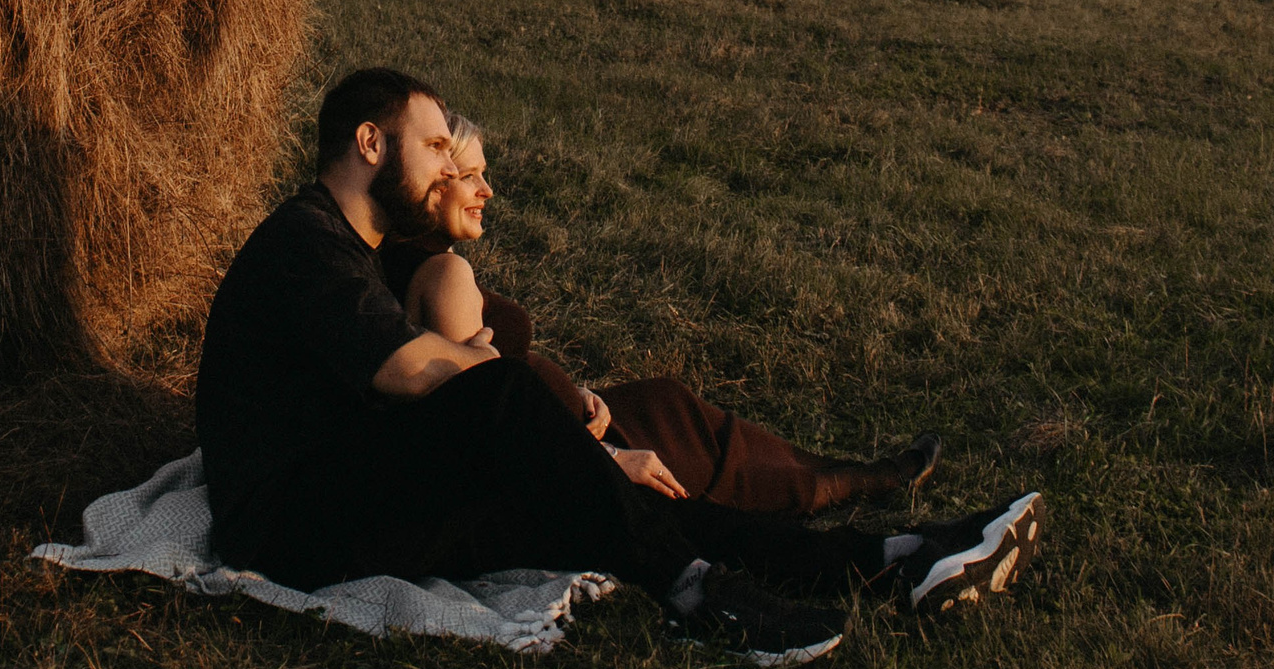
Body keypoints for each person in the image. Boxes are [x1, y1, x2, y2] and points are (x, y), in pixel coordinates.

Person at [195, 66, 1047, 667]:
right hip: (292, 523)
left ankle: (895, 557)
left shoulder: (364, 247)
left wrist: (578, 453)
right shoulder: (304, 241)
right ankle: (692, 595)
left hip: (361, 498)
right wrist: (559, 426)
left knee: (613, 502)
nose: (448, 167)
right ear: (370, 142)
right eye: (433, 147)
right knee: (509, 399)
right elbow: (409, 371)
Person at [381, 113, 941, 515]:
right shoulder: (445, 275)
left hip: (572, 431)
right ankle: (854, 482)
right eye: (470, 176)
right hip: (575, 461)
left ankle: (843, 471)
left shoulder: (407, 262)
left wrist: (574, 393)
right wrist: (607, 456)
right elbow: (490, 417)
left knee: (671, 404)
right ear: (433, 185)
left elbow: (497, 381)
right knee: (702, 450)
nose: (487, 190)